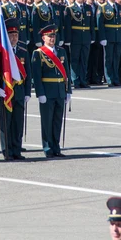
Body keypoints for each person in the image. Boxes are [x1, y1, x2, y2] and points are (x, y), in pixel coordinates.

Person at [31, 24, 71, 158]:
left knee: (57, 121)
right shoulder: (38, 53)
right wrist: (40, 93)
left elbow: (66, 73)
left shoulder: (61, 51)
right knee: (47, 121)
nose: (52, 38)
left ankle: (56, 146)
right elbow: (37, 76)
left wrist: (68, 90)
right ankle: (47, 147)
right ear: (43, 38)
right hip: (47, 92)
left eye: (53, 36)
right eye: (49, 36)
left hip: (60, 90)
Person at [0, 19, 31, 160]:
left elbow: (28, 73)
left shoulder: (22, 51)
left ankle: (17, 150)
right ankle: (7, 151)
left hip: (20, 91)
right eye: (11, 35)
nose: (14, 38)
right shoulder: (1, 52)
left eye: (16, 35)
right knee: (6, 123)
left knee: (18, 122)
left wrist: (28, 92)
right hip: (5, 91)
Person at [63, 0, 95, 88]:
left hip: (85, 37)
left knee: (84, 59)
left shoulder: (88, 8)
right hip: (75, 37)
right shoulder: (70, 9)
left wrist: (92, 36)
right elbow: (68, 26)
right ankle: (75, 80)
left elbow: (91, 24)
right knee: (75, 60)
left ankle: (83, 80)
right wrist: (68, 39)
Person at [97, 0, 121, 87]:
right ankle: (109, 79)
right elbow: (100, 24)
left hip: (118, 35)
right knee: (108, 58)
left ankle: (116, 78)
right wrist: (102, 38)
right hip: (108, 36)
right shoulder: (103, 7)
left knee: (116, 58)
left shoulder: (119, 7)